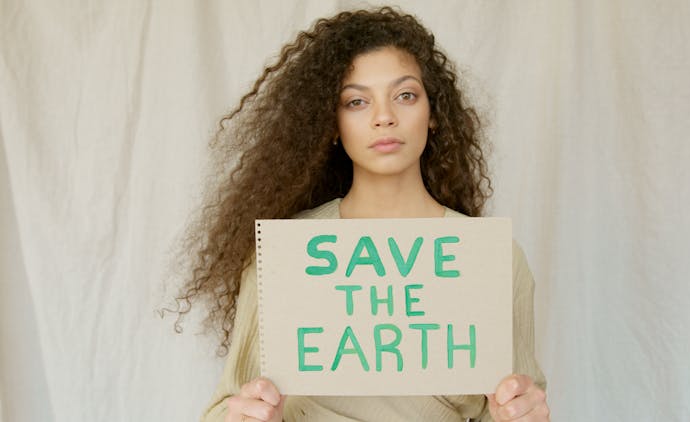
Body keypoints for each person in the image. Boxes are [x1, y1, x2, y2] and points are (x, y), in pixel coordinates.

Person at [172, 6, 549, 421]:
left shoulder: (493, 260)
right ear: (331, 124)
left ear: (434, 113)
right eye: (356, 101)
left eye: (405, 95)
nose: (384, 117)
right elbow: (226, 405)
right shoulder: (281, 256)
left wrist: (521, 413)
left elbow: (517, 403)